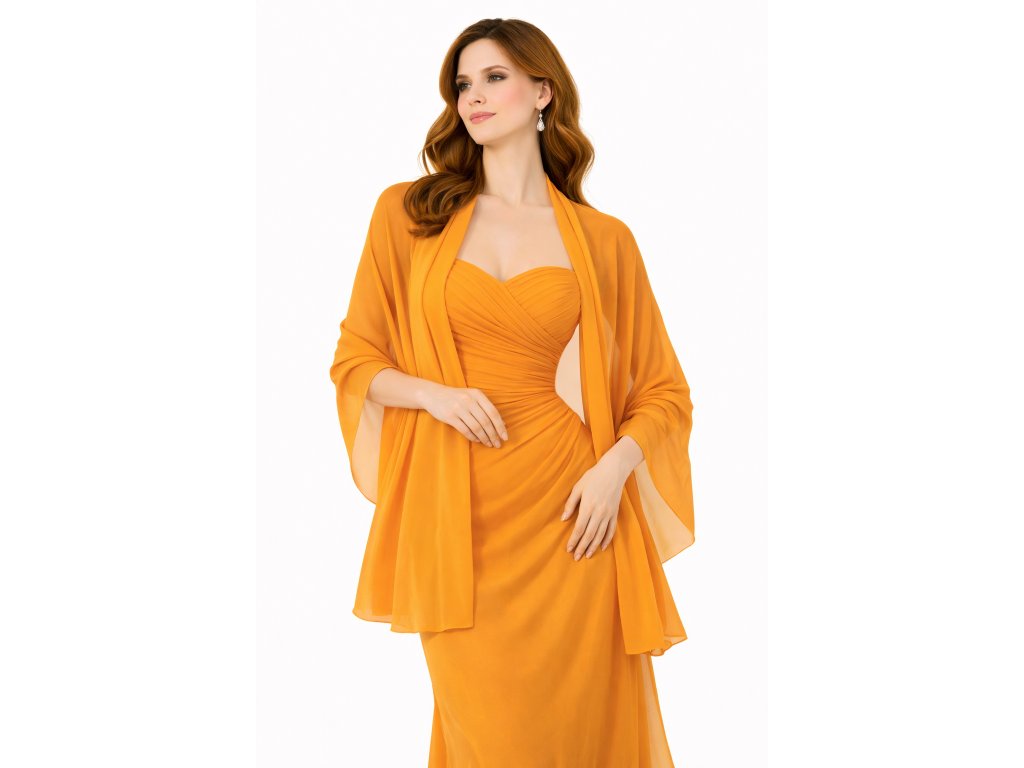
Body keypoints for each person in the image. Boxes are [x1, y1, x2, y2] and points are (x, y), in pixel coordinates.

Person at [330, 18, 696, 767]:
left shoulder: (604, 239)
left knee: (575, 733)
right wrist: (434, 396)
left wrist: (613, 468)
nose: (474, 96)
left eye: (494, 77)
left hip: (572, 514)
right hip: (456, 515)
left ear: (542, 92)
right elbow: (355, 359)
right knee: (486, 734)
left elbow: (664, 392)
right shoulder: (409, 214)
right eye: (463, 84)